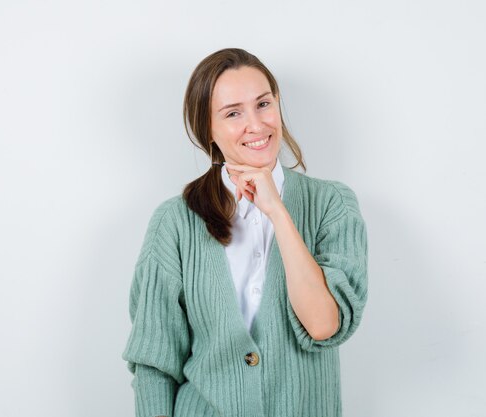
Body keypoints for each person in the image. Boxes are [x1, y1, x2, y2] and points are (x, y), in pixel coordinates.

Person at [122, 47, 369, 417]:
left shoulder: (332, 204)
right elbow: (155, 364)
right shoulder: (174, 222)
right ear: (208, 128)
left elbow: (323, 325)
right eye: (233, 113)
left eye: (263, 104)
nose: (256, 124)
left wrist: (277, 212)